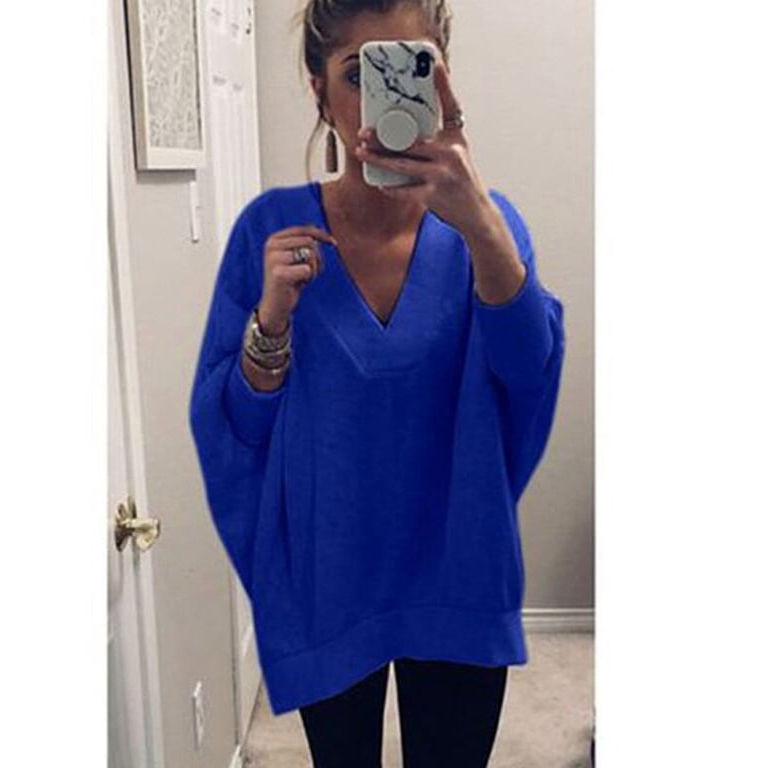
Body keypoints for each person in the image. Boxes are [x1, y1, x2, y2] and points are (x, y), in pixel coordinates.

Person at [189, 0, 566, 765]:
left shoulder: (488, 228)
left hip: (460, 569)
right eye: (358, 73)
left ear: (443, 81)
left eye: (410, 66)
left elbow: (530, 373)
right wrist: (271, 319)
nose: (382, 95)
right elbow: (236, 428)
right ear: (319, 92)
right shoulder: (270, 231)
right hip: (329, 580)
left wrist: (479, 221)